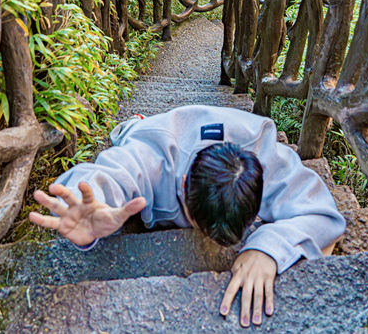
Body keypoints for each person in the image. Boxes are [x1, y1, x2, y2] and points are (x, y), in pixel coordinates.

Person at [30, 104, 346, 328]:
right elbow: (110, 172)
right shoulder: (152, 153)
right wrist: (92, 205)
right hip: (154, 127)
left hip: (228, 124)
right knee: (131, 134)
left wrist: (268, 249)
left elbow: (323, 214)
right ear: (182, 186)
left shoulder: (261, 151)